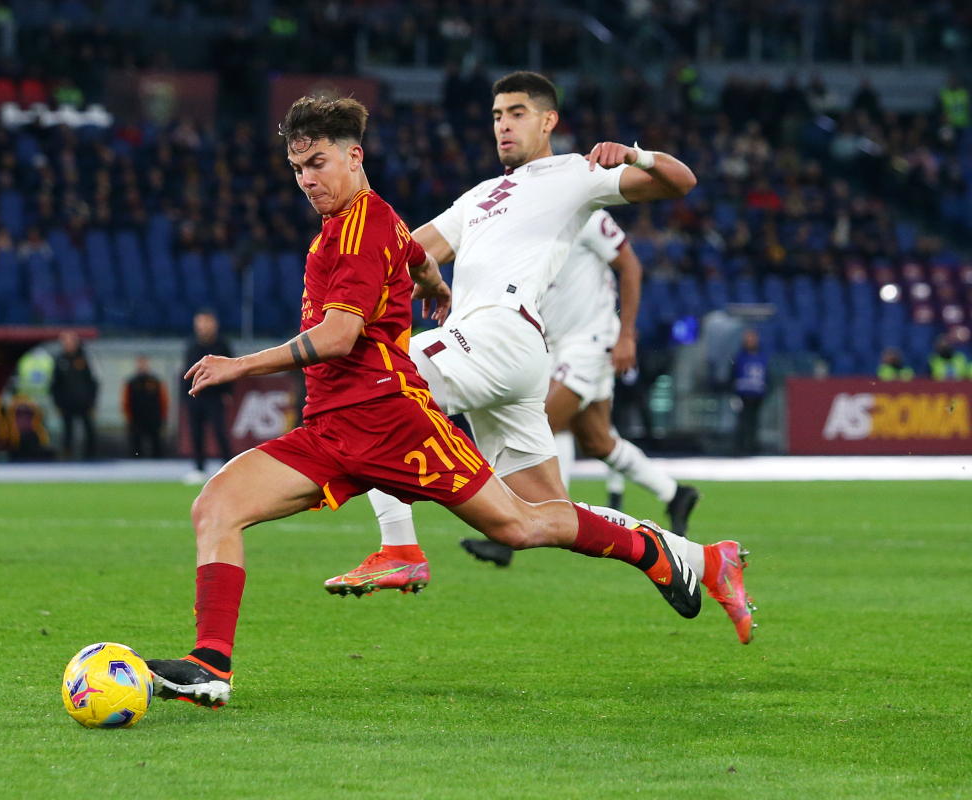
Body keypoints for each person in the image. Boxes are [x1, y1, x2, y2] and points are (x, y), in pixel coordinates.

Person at [144, 95, 707, 709]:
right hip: (330, 431)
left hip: (395, 423)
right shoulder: (369, 223)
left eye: (318, 163)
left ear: (354, 157)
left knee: (521, 524)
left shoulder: (362, 226)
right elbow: (415, 257)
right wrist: (435, 284)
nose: (308, 179)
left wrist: (242, 364)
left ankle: (648, 548)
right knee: (217, 505)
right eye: (298, 168)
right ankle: (210, 664)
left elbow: (339, 336)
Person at [323, 72, 753, 644]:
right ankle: (702, 560)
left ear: (548, 121)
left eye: (518, 112)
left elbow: (681, 181)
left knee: (369, 379)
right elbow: (405, 250)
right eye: (498, 114)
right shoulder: (478, 197)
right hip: (512, 358)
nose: (504, 123)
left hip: (501, 334)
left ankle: (399, 545)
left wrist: (636, 153)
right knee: (537, 516)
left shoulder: (574, 173)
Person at [462, 208, 699, 571]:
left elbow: (631, 266)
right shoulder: (527, 218)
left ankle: (514, 532)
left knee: (535, 423)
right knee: (597, 441)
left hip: (589, 342)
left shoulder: (586, 214)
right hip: (558, 343)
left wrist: (627, 335)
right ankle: (675, 494)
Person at [180, 309, 234, 483]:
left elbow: (231, 369)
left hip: (215, 396)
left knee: (220, 433)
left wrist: (228, 392)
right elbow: (186, 372)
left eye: (206, 322)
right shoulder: (192, 345)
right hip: (196, 396)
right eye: (200, 322)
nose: (203, 326)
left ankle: (229, 466)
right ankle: (199, 468)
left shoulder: (222, 345)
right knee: (196, 434)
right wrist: (184, 396)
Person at [50, 330, 98, 460]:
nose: (67, 344)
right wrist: (58, 403)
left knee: (89, 430)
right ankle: (67, 456)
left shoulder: (85, 359)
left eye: (70, 340)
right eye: (64, 341)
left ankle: (91, 457)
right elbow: (54, 385)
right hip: (67, 404)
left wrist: (92, 402)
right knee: (67, 432)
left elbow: (93, 382)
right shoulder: (60, 360)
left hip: (84, 403)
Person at [123, 355, 168, 458]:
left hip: (153, 418)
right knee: (136, 448)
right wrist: (129, 417)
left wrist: (163, 417)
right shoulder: (132, 382)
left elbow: (163, 400)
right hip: (136, 419)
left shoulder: (155, 381)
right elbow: (126, 401)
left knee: (156, 446)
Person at [733, 329, 767, 456]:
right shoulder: (739, 357)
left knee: (754, 420)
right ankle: (740, 446)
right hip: (743, 393)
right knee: (743, 420)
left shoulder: (762, 356)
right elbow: (734, 373)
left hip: (757, 393)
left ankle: (752, 445)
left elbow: (767, 375)